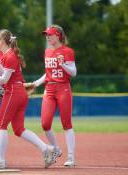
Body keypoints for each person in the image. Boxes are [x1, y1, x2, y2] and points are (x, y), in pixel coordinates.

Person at [0, 29, 58, 169]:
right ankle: (46, 148)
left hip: (13, 92)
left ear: (3, 41)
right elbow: (4, 77)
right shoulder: (8, 55)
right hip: (19, 92)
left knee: (0, 125)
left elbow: (4, 79)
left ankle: (0, 160)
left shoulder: (9, 56)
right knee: (18, 129)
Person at [29, 25, 77, 167]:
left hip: (63, 88)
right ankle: (56, 149)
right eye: (46, 35)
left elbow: (73, 72)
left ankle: (71, 157)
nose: (47, 37)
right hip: (49, 89)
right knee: (45, 123)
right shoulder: (48, 51)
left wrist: (63, 65)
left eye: (50, 34)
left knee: (66, 124)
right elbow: (48, 73)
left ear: (58, 36)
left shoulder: (68, 51)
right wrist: (36, 83)